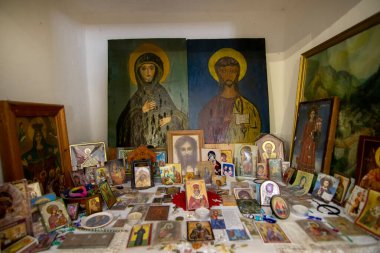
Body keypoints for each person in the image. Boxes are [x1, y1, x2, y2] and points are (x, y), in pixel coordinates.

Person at [116, 48, 188, 147]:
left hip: (162, 144)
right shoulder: (137, 96)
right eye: (144, 69)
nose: (148, 72)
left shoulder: (161, 92)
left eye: (151, 68)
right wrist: (141, 110)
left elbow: (180, 116)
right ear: (138, 72)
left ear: (157, 70)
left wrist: (171, 118)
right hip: (141, 147)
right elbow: (123, 124)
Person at [198, 49, 261, 144]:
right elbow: (204, 135)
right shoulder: (209, 108)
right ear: (218, 73)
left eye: (232, 71)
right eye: (223, 71)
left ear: (238, 73)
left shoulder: (248, 108)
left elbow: (254, 135)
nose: (228, 75)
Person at [21, 123, 60, 194]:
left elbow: (53, 158)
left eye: (39, 136)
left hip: (49, 178)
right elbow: (31, 165)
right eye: (36, 136)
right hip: (39, 179)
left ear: (42, 136)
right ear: (34, 138)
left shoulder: (48, 148)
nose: (38, 138)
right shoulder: (31, 153)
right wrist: (27, 165)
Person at [296, 106, 322, 173]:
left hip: (311, 142)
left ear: (315, 114)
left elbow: (317, 132)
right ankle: (302, 169)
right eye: (311, 113)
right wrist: (302, 140)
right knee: (304, 154)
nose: (312, 115)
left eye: (313, 113)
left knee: (309, 155)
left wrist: (314, 132)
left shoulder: (315, 123)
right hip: (305, 142)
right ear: (309, 114)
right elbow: (304, 133)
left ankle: (308, 171)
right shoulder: (307, 123)